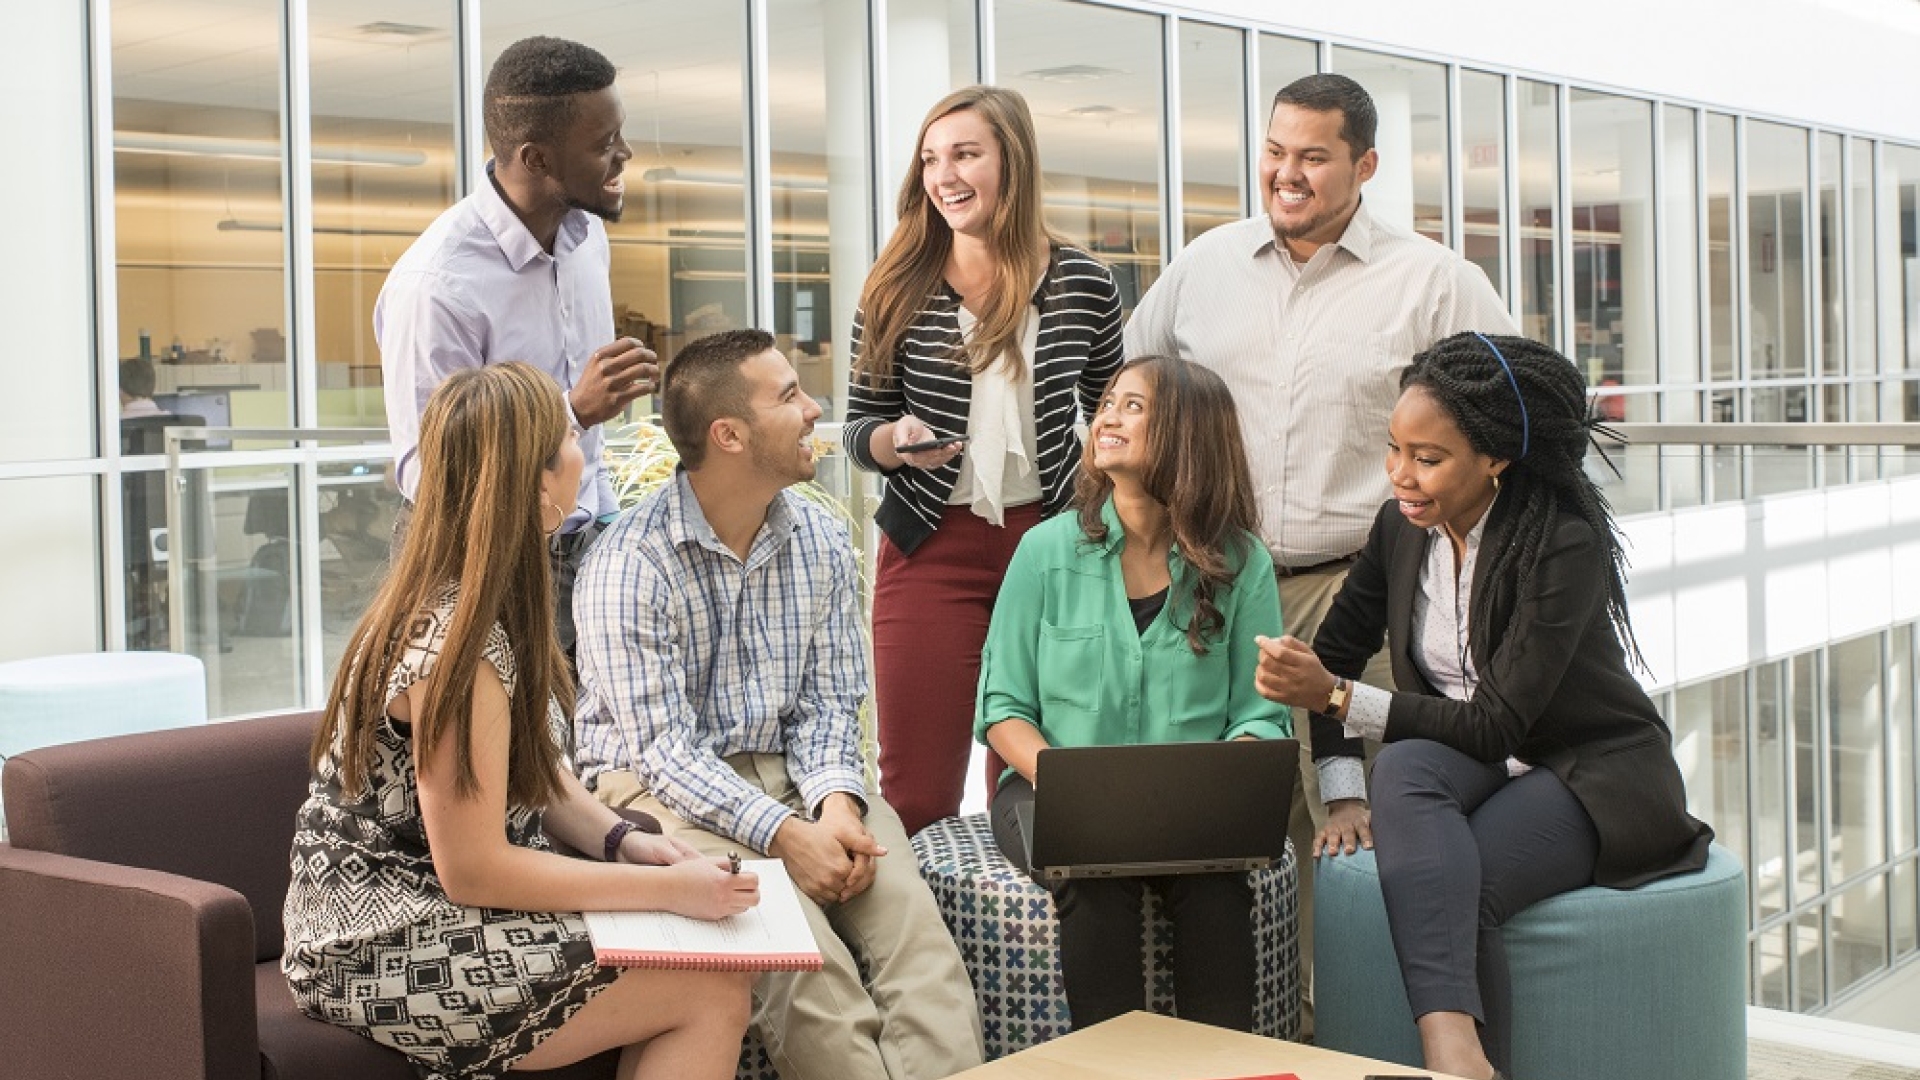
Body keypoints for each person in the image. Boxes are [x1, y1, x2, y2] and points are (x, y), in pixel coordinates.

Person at [1123, 72, 1518, 1000]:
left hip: (1366, 595)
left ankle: (1376, 1028)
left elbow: (1518, 424)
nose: (1286, 174)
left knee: (1372, 825)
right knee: (1252, 823)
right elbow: (1126, 399)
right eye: (1274, 151)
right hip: (1219, 588)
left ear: (1364, 164)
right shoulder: (1204, 267)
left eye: (1312, 156)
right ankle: (1285, 1028)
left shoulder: (1435, 283)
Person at [1253, 333, 1713, 1080]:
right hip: (1477, 762)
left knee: (1459, 887)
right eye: (1394, 449)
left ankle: (1458, 1062)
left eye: (1427, 458)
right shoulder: (1399, 530)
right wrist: (1341, 796)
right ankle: (1460, 1061)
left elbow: (1499, 722)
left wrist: (1335, 696)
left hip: (1587, 769)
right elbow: (1334, 654)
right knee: (1401, 769)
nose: (1401, 474)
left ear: (1495, 458)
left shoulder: (1560, 543)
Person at [282, 362, 758, 1080]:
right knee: (711, 988)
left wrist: (625, 840)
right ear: (536, 484)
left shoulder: (491, 607)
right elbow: (473, 867)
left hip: (438, 904)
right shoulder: (455, 650)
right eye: (570, 437)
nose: (582, 452)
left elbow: (538, 771)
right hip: (382, 938)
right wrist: (668, 889)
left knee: (710, 964)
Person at [572, 329, 985, 1080]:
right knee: (805, 963)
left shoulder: (822, 537)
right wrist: (786, 836)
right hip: (662, 796)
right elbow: (665, 753)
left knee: (917, 943)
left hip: (799, 774)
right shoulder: (627, 564)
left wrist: (833, 807)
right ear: (728, 435)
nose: (813, 410)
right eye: (789, 395)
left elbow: (832, 704)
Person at [842, 85, 1125, 836]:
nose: (946, 174)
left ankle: (1018, 949)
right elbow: (857, 427)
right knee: (916, 790)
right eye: (932, 159)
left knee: (1038, 784)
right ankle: (914, 951)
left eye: (966, 153)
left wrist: (1106, 500)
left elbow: (1115, 418)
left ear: (1013, 161)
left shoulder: (1085, 284)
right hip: (931, 548)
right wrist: (891, 443)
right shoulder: (894, 287)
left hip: (1055, 551)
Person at [977, 356, 1290, 1032]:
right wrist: (1072, 785)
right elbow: (1002, 710)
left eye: (1134, 406)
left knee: (1215, 891)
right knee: (1092, 882)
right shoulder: (1043, 551)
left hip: (1194, 800)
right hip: (1047, 788)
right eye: (1108, 402)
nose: (1107, 415)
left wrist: (1209, 788)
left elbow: (1261, 718)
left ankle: (1227, 1075)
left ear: (1188, 434)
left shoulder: (1243, 563)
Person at [377, 35, 658, 662]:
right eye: (604, 143)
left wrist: (608, 529)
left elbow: (591, 450)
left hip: (585, 555)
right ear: (534, 158)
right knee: (500, 759)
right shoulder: (438, 287)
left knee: (588, 752)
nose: (625, 154)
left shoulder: (587, 243)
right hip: (482, 570)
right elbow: (430, 473)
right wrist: (572, 410)